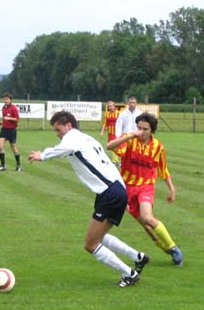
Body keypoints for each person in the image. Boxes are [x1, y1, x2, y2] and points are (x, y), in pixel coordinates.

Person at [28, 111, 149, 287]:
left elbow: (65, 149)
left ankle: (129, 273)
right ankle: (137, 257)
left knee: (90, 244)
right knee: (100, 236)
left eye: (58, 129)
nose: (58, 134)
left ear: (68, 125)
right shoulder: (86, 138)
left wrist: (43, 155)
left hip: (110, 192)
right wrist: (122, 193)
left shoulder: (73, 138)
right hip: (113, 189)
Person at [107, 112, 183, 266]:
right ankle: (166, 248)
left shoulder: (158, 147)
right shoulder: (130, 139)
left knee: (148, 217)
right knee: (145, 225)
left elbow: (163, 170)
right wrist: (129, 136)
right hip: (127, 189)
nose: (140, 132)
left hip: (146, 187)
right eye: (139, 128)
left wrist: (172, 189)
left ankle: (173, 248)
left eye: (145, 129)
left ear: (152, 130)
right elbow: (109, 146)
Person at [0, 93, 22, 172]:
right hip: (4, 129)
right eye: (4, 99)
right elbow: (5, 119)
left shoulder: (13, 108)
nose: (5, 100)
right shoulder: (3, 108)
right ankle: (3, 165)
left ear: (10, 100)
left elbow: (17, 119)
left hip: (12, 130)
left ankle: (19, 164)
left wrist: (9, 118)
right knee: (0, 147)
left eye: (7, 99)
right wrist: (2, 122)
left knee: (13, 147)